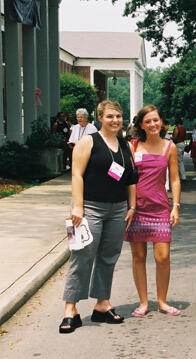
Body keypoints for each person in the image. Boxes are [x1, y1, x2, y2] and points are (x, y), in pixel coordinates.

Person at [59, 100, 138, 334]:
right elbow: (76, 174)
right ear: (100, 118)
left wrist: (131, 207)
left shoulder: (126, 146)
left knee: (108, 257)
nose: (115, 120)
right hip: (91, 208)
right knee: (82, 255)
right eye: (110, 116)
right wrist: (77, 207)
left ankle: (102, 304)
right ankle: (70, 309)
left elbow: (131, 179)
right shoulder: (88, 141)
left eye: (119, 116)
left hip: (118, 209)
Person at [125, 105, 181, 318]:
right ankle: (143, 302)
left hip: (160, 208)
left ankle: (162, 302)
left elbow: (174, 178)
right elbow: (126, 177)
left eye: (155, 120)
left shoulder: (170, 147)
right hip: (136, 208)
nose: (152, 125)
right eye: (147, 121)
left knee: (163, 257)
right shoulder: (133, 146)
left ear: (161, 122)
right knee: (138, 256)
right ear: (141, 125)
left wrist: (175, 206)